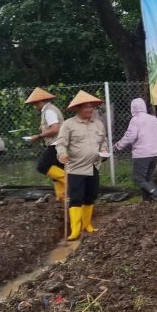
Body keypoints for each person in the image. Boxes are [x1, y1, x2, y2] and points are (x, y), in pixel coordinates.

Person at [55, 90, 109, 241]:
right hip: (76, 168)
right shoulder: (68, 125)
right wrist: (62, 154)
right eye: (86, 107)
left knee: (90, 197)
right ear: (78, 108)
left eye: (91, 107)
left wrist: (104, 151)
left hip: (93, 166)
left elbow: (103, 141)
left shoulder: (98, 123)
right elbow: (61, 144)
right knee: (76, 198)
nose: (90, 109)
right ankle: (75, 230)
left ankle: (87, 225)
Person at [114, 98, 157, 202]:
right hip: (155, 154)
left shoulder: (136, 119)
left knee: (139, 178)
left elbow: (131, 136)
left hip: (142, 154)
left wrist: (118, 145)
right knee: (147, 178)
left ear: (132, 108)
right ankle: (147, 200)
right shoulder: (154, 119)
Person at [25, 87, 66, 201]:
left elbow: (55, 129)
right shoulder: (51, 109)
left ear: (39, 101)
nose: (34, 106)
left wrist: (38, 136)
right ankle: (62, 197)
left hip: (56, 143)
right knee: (57, 169)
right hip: (59, 143)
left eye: (34, 104)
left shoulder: (48, 111)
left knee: (43, 166)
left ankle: (70, 181)